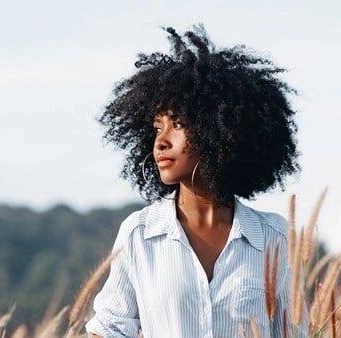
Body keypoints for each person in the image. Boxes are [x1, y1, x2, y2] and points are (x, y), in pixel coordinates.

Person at [85, 24, 308, 338]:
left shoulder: (275, 238)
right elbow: (108, 329)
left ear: (220, 129)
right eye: (157, 127)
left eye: (177, 124)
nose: (161, 141)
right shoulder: (140, 234)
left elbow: (293, 332)